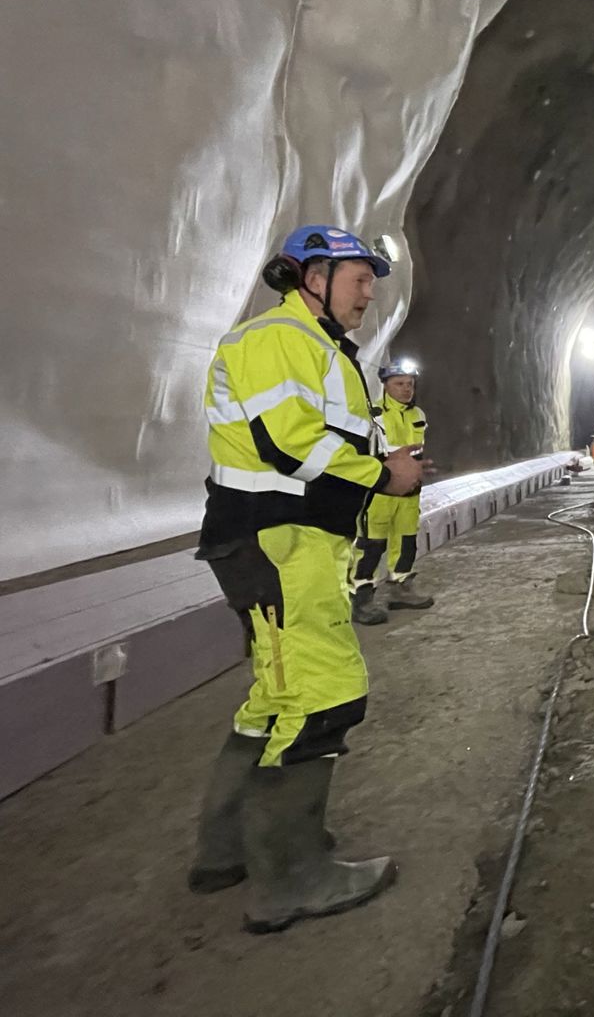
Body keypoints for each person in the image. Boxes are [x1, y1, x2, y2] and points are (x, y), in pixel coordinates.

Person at [189, 224, 427, 934]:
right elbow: (286, 440)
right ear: (309, 275)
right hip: (278, 543)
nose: (368, 292)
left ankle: (228, 850)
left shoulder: (319, 349)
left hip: (287, 542)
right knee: (322, 697)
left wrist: (388, 461)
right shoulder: (275, 339)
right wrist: (386, 474)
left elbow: (328, 435)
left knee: (276, 694)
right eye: (358, 276)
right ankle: (291, 877)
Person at [350, 359, 433, 623]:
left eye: (410, 384)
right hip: (380, 492)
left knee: (407, 540)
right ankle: (361, 597)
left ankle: (401, 588)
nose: (406, 389)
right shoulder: (371, 414)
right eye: (399, 384)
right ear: (385, 385)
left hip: (410, 492)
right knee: (371, 545)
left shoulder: (418, 415)